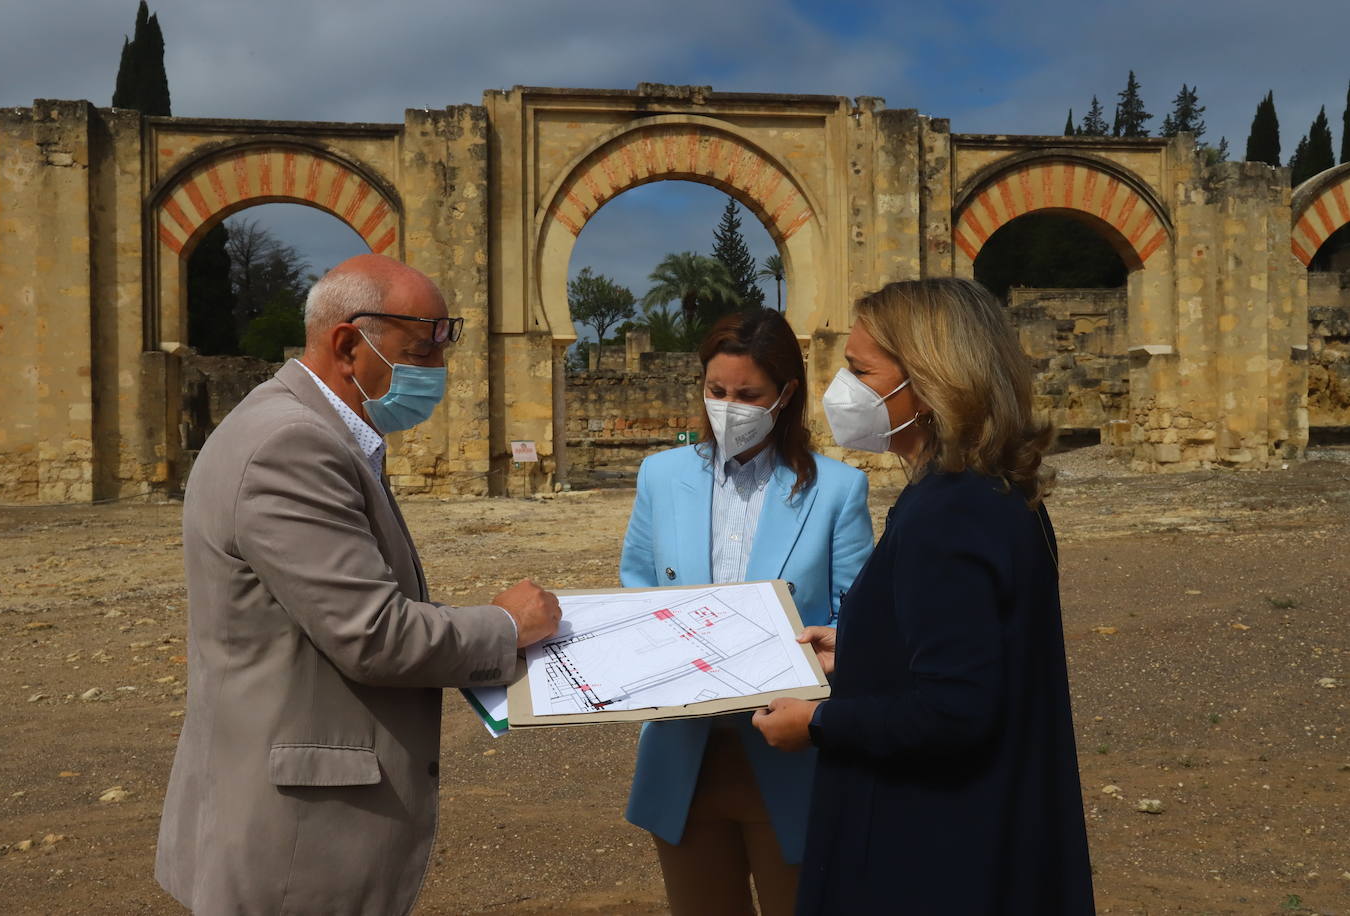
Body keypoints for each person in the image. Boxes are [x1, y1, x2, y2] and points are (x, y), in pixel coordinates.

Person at [155, 254, 561, 915]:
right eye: (422, 348)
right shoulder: (290, 446)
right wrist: (509, 625)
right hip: (293, 845)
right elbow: (374, 634)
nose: (437, 371)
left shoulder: (304, 430)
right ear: (348, 344)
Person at [752, 278, 1095, 914]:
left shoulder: (950, 511)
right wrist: (861, 651)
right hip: (989, 834)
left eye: (859, 370)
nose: (843, 390)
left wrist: (819, 723)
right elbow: (972, 649)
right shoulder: (988, 491)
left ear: (931, 382)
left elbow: (955, 711)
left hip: (931, 851)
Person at [620, 308, 874, 915]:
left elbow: (861, 621)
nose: (729, 405)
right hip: (684, 758)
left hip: (791, 756)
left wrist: (822, 659)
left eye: (747, 394)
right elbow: (637, 590)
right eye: (716, 391)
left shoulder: (837, 490)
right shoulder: (661, 475)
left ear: (785, 393)